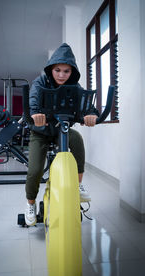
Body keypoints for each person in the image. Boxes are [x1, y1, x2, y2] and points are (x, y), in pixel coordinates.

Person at [25, 43, 99, 226]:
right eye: (58, 70)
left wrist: (92, 115)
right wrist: (35, 113)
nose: (61, 75)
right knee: (35, 170)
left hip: (61, 129)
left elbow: (87, 106)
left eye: (66, 71)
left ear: (71, 72)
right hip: (40, 132)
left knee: (77, 139)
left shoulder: (75, 86)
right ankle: (30, 204)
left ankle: (78, 185)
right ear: (51, 68)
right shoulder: (41, 81)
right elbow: (33, 98)